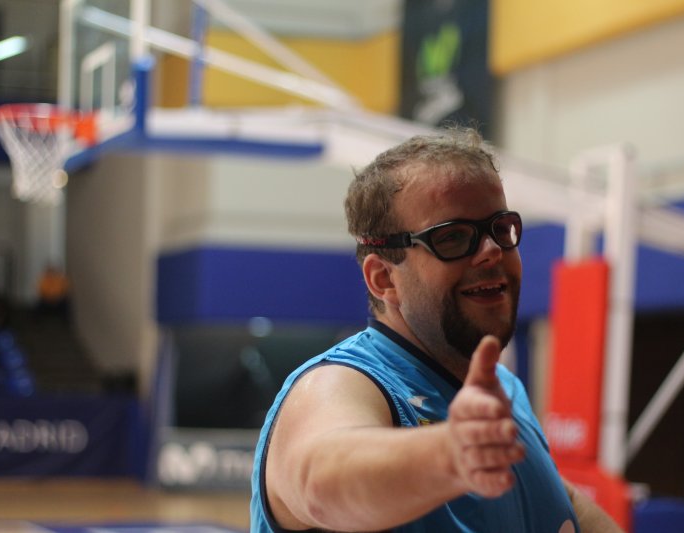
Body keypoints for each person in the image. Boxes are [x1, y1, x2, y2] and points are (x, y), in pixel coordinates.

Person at [250, 127, 623, 532]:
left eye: (501, 228)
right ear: (383, 278)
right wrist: (450, 452)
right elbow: (319, 484)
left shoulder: (504, 391)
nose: (492, 250)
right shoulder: (343, 383)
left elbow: (558, 503)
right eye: (453, 237)